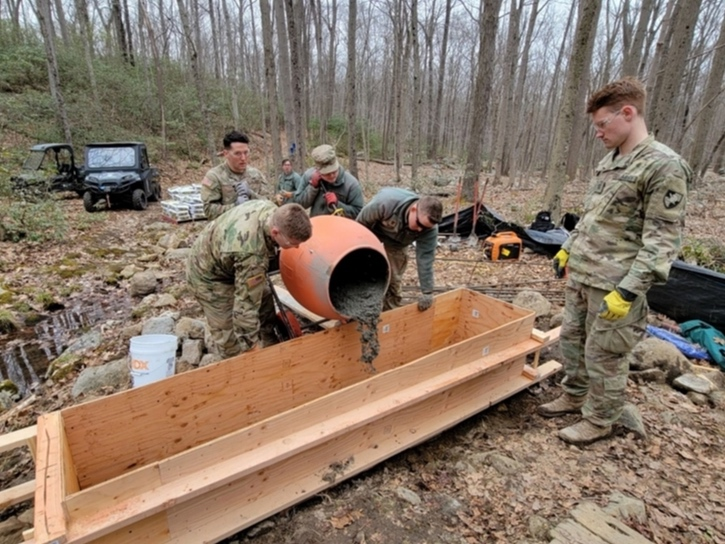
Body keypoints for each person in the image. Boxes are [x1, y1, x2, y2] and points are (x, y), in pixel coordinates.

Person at [539, 77, 690, 446]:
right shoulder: (610, 162)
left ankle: (600, 418)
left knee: (605, 354)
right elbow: (593, 216)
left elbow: (662, 241)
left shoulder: (663, 166)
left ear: (628, 113)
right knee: (573, 341)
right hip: (584, 274)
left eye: (602, 124)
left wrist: (628, 291)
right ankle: (574, 394)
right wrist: (568, 247)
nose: (597, 133)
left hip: (616, 283)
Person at [186, 201, 312, 358]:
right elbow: (245, 306)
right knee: (228, 333)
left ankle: (269, 341)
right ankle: (236, 366)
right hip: (208, 276)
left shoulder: (272, 211)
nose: (297, 248)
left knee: (264, 297)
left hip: (227, 255)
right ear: (275, 232)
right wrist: (251, 348)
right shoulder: (252, 255)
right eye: (293, 243)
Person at [356, 188, 442, 311]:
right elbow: (359, 226)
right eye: (419, 224)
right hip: (372, 235)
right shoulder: (385, 203)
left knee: (393, 281)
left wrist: (427, 292)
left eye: (425, 228)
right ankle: (357, 311)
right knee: (363, 275)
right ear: (413, 209)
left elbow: (425, 259)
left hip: (397, 245)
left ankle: (390, 316)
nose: (420, 230)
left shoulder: (430, 229)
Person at [200, 131, 270, 220]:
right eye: (237, 153)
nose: (243, 158)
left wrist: (251, 194)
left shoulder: (256, 174)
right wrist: (235, 206)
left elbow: (269, 202)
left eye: (246, 152)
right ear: (226, 154)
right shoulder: (215, 176)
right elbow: (208, 211)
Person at [294, 144, 364, 218]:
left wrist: (338, 204)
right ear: (318, 170)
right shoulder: (309, 176)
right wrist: (312, 187)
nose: (332, 175)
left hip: (340, 228)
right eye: (327, 173)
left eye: (334, 171)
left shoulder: (351, 184)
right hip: (316, 225)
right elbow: (298, 204)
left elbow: (359, 213)